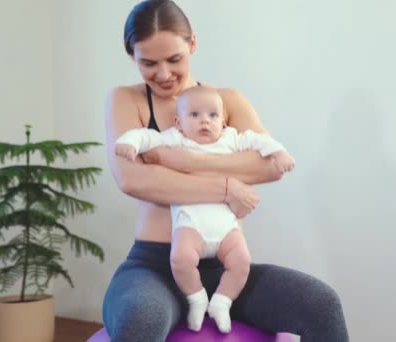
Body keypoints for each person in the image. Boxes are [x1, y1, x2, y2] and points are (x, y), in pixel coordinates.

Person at [103, 0, 349, 341]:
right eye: (148, 63)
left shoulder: (226, 101)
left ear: (193, 43)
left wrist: (183, 161)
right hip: (153, 267)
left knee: (321, 304)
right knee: (140, 321)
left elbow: (269, 165)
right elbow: (133, 178)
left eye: (174, 59)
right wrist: (227, 188)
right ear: (132, 56)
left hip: (228, 270)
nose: (163, 74)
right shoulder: (126, 99)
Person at [114, 85, 295, 333]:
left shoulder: (231, 138)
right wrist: (130, 142)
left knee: (241, 262)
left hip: (227, 232)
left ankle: (222, 302)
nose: (205, 122)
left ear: (223, 120)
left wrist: (279, 152)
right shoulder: (175, 138)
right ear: (178, 122)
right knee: (181, 258)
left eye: (213, 116)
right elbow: (146, 138)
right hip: (191, 229)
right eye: (195, 116)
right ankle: (197, 298)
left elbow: (259, 142)